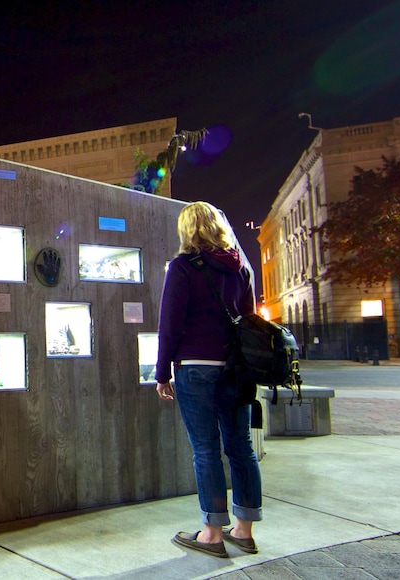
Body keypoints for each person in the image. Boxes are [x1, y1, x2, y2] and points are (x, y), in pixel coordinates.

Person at [155, 201, 261, 559]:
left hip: (195, 365)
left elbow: (169, 323)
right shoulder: (239, 267)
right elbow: (250, 320)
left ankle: (212, 534)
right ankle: (243, 530)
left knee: (205, 450)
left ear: (187, 229)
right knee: (241, 446)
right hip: (234, 368)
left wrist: (161, 372)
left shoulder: (183, 267)